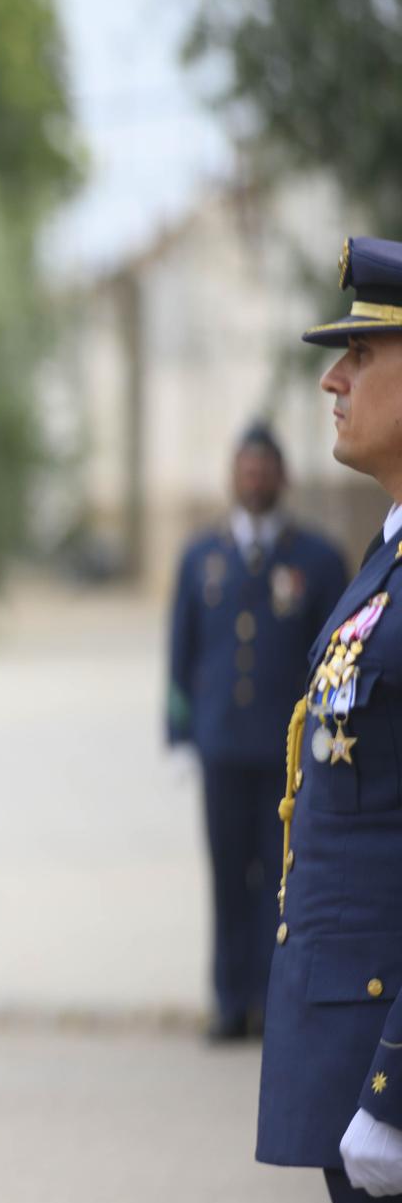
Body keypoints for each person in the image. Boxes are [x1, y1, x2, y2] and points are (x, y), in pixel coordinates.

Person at [258, 235, 402, 1203]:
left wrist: (393, 1084)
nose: (331, 377)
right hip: (340, 1027)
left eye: (360, 353)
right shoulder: (385, 550)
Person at [168, 425, 346, 1042]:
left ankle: (275, 1002)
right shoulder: (201, 557)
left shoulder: (317, 559)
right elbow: (181, 651)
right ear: (232, 476)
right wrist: (178, 733)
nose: (255, 479)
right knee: (225, 874)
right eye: (246, 468)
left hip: (288, 752)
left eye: (265, 468)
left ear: (283, 477)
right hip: (219, 745)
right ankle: (227, 999)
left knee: (280, 878)